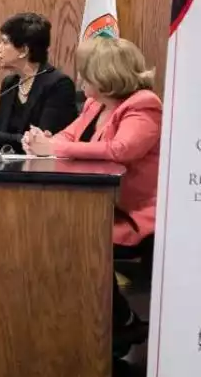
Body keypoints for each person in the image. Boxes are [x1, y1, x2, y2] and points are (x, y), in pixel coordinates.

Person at [23, 36, 160, 356]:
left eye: (86, 72)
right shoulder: (94, 104)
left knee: (76, 243)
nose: (80, 78)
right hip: (97, 207)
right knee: (58, 238)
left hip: (134, 215)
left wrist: (55, 147)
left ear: (106, 75)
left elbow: (121, 150)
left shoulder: (143, 104)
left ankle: (118, 322)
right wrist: (42, 140)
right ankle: (106, 323)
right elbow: (67, 136)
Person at [0, 13, 77, 152]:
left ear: (24, 50)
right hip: (6, 162)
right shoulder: (10, 83)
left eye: (5, 42)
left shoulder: (59, 85)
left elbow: (41, 143)